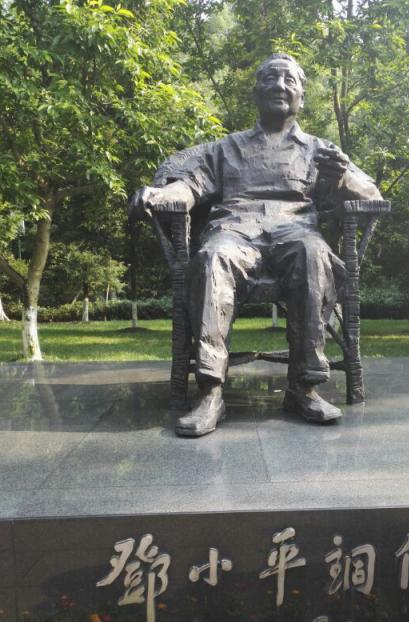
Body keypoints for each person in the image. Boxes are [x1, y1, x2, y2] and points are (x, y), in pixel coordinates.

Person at [132, 53, 382, 437]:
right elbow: (190, 186)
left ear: (301, 97)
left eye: (289, 80)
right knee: (212, 258)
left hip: (295, 231)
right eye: (270, 78)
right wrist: (160, 195)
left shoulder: (319, 150)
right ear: (256, 93)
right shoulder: (225, 149)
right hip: (235, 231)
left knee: (314, 255)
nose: (279, 86)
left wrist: (342, 178)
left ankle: (304, 387)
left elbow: (371, 196)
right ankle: (211, 391)